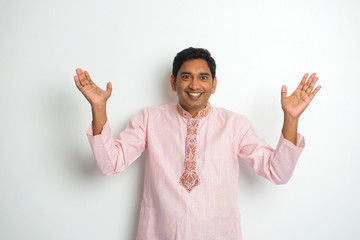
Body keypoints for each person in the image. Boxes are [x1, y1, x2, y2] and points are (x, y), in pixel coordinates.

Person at [74, 47, 321, 240]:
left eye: (203, 77)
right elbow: (110, 163)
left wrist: (291, 118)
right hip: (159, 234)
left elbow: (277, 172)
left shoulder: (235, 125)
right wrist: (98, 108)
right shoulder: (148, 119)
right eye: (186, 77)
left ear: (214, 84)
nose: (194, 85)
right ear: (173, 82)